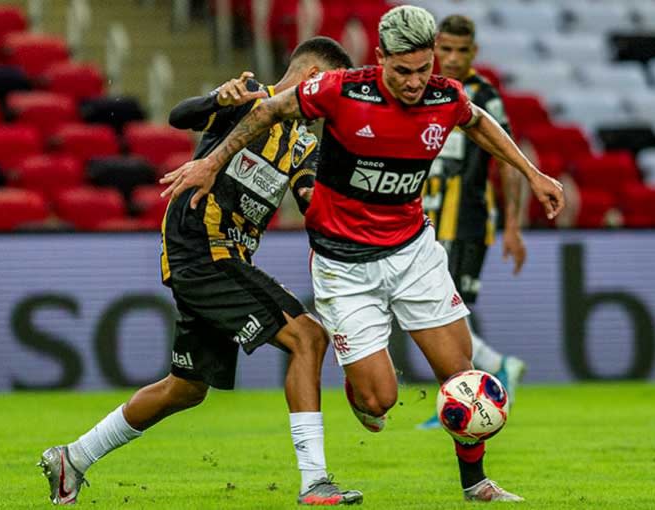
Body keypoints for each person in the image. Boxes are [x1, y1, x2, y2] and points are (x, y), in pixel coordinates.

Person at [161, 5, 564, 502]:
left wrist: (532, 173)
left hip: (413, 253)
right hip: (345, 266)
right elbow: (267, 110)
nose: (415, 82)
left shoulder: (444, 96)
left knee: (462, 377)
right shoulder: (342, 90)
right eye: (402, 71)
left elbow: (476, 120)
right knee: (380, 401)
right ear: (381, 60)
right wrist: (212, 162)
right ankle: (364, 390)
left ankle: (475, 482)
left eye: (423, 69)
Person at [38, 37, 363, 506]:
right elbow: (180, 117)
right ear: (312, 76)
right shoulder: (251, 97)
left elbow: (312, 199)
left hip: (226, 256)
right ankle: (315, 482)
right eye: (329, 88)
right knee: (307, 338)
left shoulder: (305, 143)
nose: (327, 104)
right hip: (203, 247)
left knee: (186, 388)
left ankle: (73, 458)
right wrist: (216, 98)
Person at [418, 14, 527, 430]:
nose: (452, 58)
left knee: (446, 316)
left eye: (461, 51)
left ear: (474, 52)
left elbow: (509, 162)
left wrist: (513, 226)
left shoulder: (484, 95)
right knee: (434, 313)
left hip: (465, 223)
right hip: (423, 221)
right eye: (445, 49)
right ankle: (496, 370)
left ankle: (470, 388)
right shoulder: (420, 90)